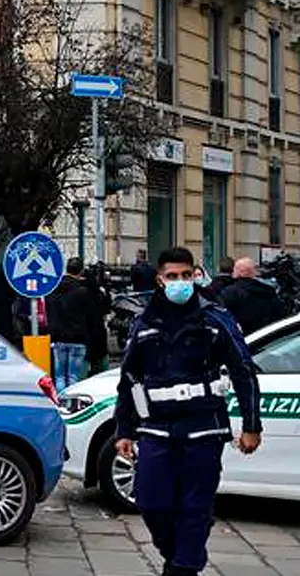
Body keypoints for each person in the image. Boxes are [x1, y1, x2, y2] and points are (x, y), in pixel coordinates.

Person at [115, 247, 261, 576]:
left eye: (186, 275)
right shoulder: (144, 322)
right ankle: (177, 557)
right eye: (172, 276)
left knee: (194, 507)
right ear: (159, 280)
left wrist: (252, 426)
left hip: (203, 426)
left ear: (195, 275)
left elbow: (243, 371)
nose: (179, 282)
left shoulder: (215, 317)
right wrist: (123, 429)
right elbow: (128, 378)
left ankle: (184, 567)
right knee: (151, 502)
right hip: (157, 427)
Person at [45, 258, 101, 390]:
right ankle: (72, 406)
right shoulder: (82, 292)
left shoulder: (53, 290)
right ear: (81, 271)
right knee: (73, 376)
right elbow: (92, 316)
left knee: (59, 376)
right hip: (78, 338)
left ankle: (61, 404)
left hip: (58, 337)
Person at [219, 257, 287, 336]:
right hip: (268, 338)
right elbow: (281, 315)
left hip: (243, 340)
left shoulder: (229, 293)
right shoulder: (269, 291)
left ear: (240, 272)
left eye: (234, 269)